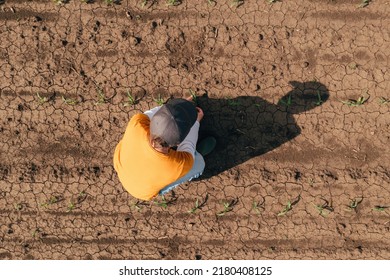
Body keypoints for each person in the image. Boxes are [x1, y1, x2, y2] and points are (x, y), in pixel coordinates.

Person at [113, 96, 215, 201]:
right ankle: (197, 153)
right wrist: (196, 122)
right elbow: (188, 145)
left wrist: (175, 108)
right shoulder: (175, 166)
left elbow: (155, 113)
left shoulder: (137, 123)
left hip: (121, 167)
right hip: (141, 192)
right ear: (177, 143)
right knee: (198, 164)